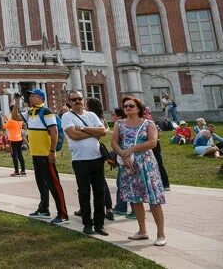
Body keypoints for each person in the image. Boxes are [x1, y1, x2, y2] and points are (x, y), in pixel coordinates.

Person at [112, 96, 167, 246]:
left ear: (139, 108)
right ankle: (142, 231)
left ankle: (161, 234)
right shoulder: (119, 124)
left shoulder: (148, 123)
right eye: (125, 106)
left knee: (154, 199)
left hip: (146, 165)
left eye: (131, 106)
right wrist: (123, 155)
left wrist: (132, 149)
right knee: (135, 199)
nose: (127, 108)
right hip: (129, 165)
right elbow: (114, 142)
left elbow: (152, 142)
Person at [11, 89, 68, 225]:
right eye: (30, 96)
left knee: (54, 184)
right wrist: (17, 101)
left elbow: (53, 131)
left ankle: (63, 214)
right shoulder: (30, 112)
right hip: (35, 154)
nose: (30, 98)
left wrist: (52, 151)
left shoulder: (46, 112)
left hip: (46, 154)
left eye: (33, 96)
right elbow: (14, 117)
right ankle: (43, 209)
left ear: (41, 98)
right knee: (41, 183)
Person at [61, 90, 108, 236]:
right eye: (73, 99)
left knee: (100, 192)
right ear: (69, 102)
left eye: (79, 99)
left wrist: (83, 128)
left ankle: (99, 224)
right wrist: (93, 132)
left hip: (96, 158)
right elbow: (73, 135)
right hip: (80, 160)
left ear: (84, 100)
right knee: (84, 192)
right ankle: (87, 223)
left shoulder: (91, 115)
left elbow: (103, 132)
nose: (77, 102)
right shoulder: (67, 116)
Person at [3, 108, 25, 176]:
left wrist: (3, 120)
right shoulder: (20, 120)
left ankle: (16, 171)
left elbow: (4, 127)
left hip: (12, 139)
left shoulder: (11, 120)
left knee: (14, 155)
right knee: (20, 154)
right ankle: (23, 170)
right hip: (19, 139)